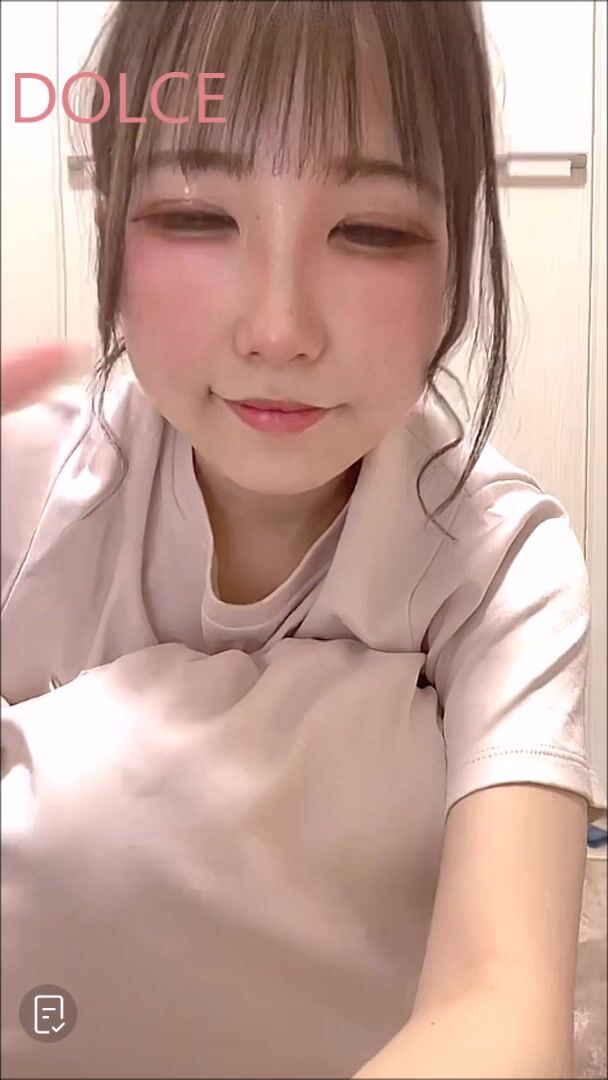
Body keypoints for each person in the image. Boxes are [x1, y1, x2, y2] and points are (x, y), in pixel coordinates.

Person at [1, 2, 605, 1078]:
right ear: (112, 228)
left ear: (459, 252)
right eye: (196, 216)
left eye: (371, 230)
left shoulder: (501, 563)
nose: (278, 330)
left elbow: (502, 1007)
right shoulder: (26, 493)